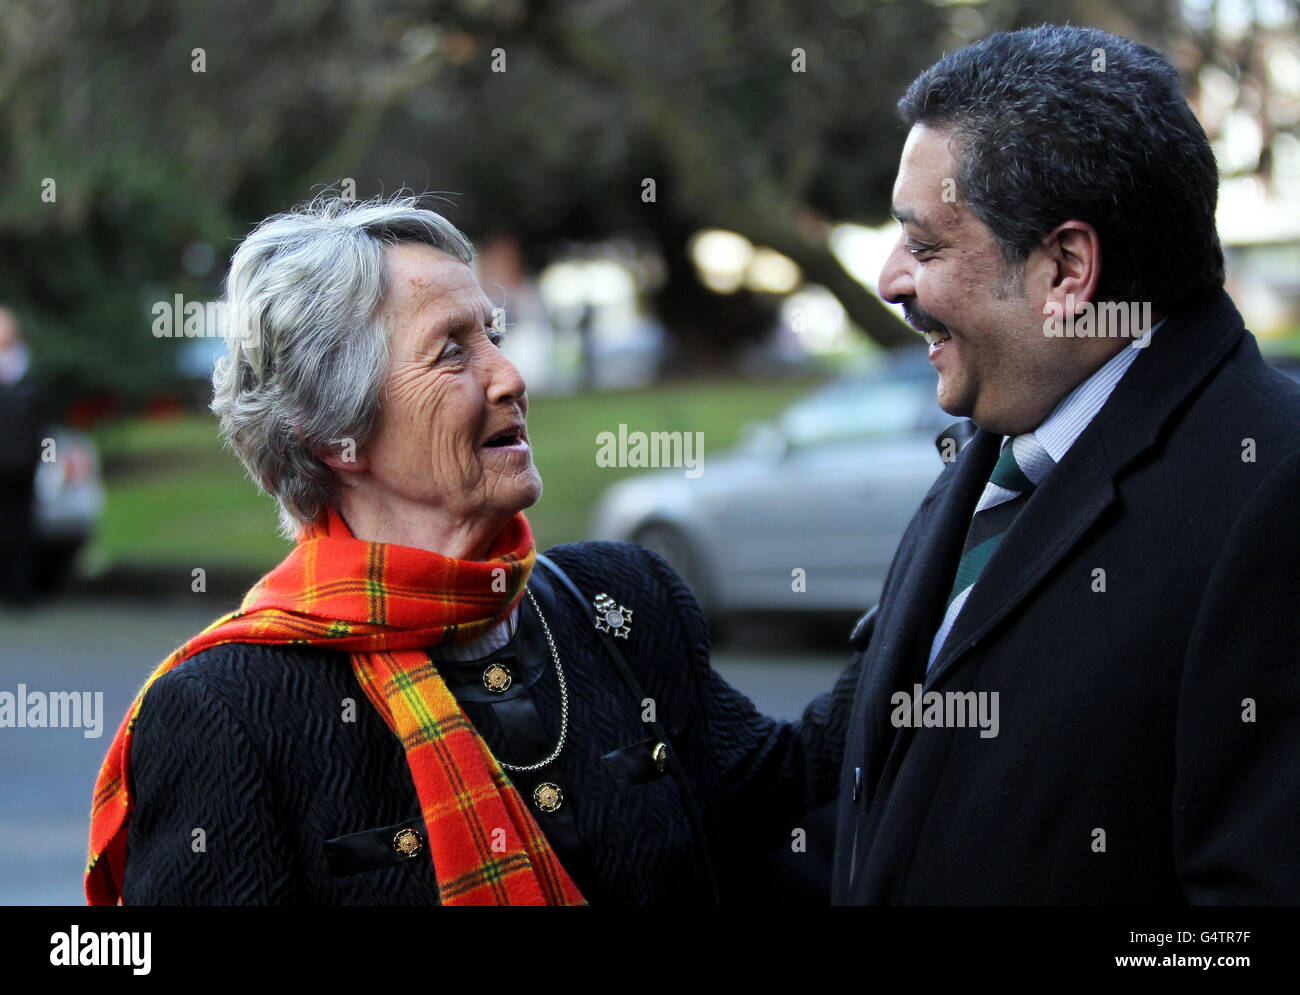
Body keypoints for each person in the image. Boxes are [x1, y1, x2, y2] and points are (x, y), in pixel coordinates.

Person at [86, 194, 849, 905]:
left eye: (494, 333)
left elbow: (787, 796)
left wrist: (952, 559)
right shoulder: (225, 710)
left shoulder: (620, 599)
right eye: (452, 353)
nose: (509, 376)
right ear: (334, 433)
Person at [832, 25, 1300, 903]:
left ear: (1068, 271)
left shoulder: (1274, 493)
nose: (891, 279)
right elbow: (870, 781)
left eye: (925, 245)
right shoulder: (1002, 445)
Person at [0, 307, 43, 606]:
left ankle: (21, 589)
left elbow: (40, 419)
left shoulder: (28, 369)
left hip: (23, 463)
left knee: (22, 525)